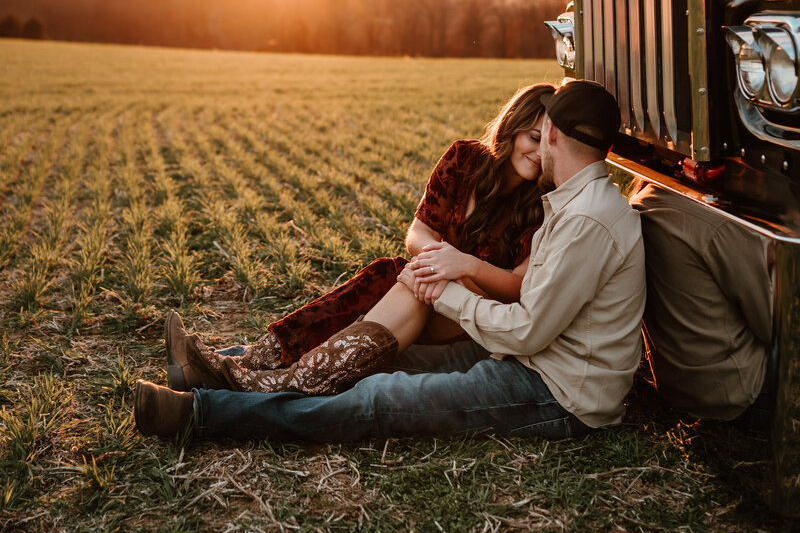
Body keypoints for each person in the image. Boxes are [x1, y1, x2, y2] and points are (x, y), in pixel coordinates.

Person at [134, 79, 647, 444]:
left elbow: (527, 328)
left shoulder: (583, 218)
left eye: (543, 135)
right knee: (374, 357)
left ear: (553, 134)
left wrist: (444, 287)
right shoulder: (575, 202)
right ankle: (232, 367)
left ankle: (203, 412)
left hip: (557, 393)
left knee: (377, 398)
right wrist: (435, 276)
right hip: (523, 355)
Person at [631, 182, 775, 428]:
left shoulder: (643, 197)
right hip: (734, 394)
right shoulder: (716, 220)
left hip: (674, 385)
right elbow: (772, 324)